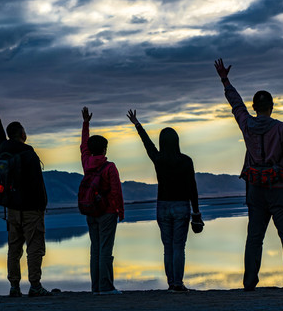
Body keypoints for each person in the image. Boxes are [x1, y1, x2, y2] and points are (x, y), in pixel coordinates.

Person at [213, 59, 283, 291]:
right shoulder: (282, 129)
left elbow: (236, 105)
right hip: (280, 192)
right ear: (271, 106)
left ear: (254, 107)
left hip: (256, 192)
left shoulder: (247, 125)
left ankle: (250, 283)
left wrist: (225, 80)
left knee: (254, 238)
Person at [126, 109, 202, 293]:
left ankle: (171, 283)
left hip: (162, 207)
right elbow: (192, 188)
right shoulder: (186, 161)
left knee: (168, 247)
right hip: (181, 206)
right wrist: (196, 212)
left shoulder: (158, 159)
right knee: (178, 247)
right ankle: (178, 283)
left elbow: (147, 145)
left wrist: (137, 125)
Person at [0, 92, 52, 297]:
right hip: (31, 209)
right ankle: (35, 286)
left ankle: (14, 286)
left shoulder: (3, 150)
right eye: (24, 131)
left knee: (14, 249)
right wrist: (42, 206)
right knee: (34, 248)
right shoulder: (28, 153)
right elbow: (37, 185)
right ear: (21, 134)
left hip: (12, 209)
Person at [80, 107, 124, 295]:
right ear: (105, 149)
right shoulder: (109, 167)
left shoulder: (86, 163)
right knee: (105, 250)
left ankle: (96, 287)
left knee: (95, 250)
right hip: (107, 213)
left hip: (91, 212)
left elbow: (83, 146)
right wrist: (119, 212)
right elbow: (116, 192)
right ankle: (106, 287)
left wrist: (85, 124)